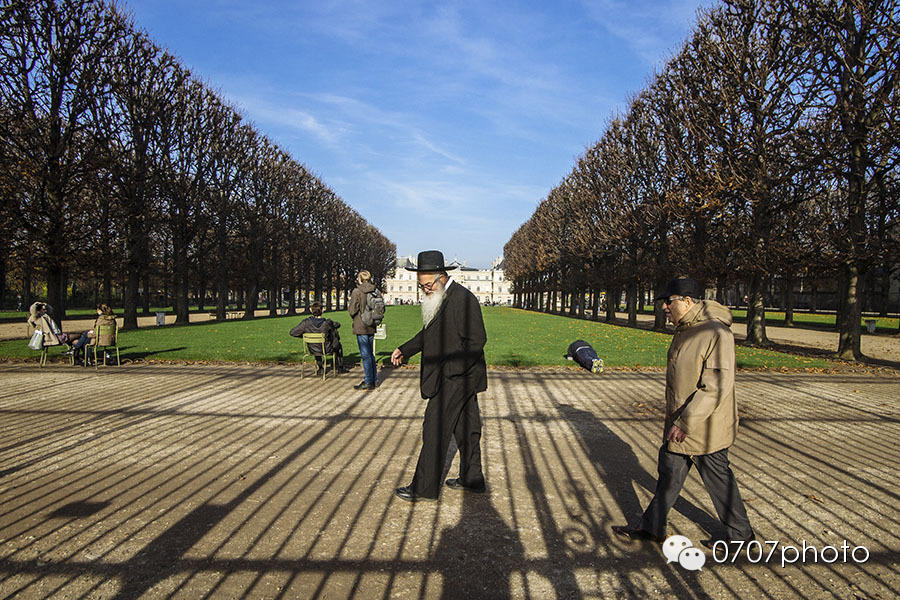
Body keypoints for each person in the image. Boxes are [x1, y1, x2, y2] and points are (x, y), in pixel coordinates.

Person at [612, 277, 754, 547]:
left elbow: (715, 385)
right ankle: (653, 527)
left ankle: (742, 536)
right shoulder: (686, 329)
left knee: (718, 478)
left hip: (705, 424)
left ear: (688, 302)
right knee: (669, 473)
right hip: (682, 421)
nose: (665, 307)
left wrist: (686, 421)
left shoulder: (715, 333)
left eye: (669, 301)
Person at [390, 250, 488, 502]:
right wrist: (405, 349)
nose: (425, 290)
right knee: (468, 429)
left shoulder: (463, 299)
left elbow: (477, 341)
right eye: (421, 286)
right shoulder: (441, 298)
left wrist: (452, 372)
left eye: (428, 285)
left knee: (433, 428)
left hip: (456, 378)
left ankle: (423, 487)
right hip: (460, 378)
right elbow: (428, 335)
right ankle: (472, 478)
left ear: (442, 277)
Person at [289, 302, 346, 375]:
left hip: (312, 349)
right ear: (322, 311)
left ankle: (320, 368)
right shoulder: (327, 323)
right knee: (338, 346)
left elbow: (293, 332)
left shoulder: (306, 322)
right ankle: (340, 368)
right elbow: (337, 325)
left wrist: (305, 336)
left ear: (311, 311)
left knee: (316, 346)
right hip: (326, 349)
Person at [348, 270, 378, 390]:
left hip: (361, 325)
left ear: (360, 279)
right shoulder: (375, 290)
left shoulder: (357, 291)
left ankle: (368, 381)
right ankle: (374, 379)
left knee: (365, 355)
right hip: (371, 325)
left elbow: (352, 310)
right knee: (371, 354)